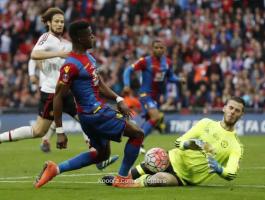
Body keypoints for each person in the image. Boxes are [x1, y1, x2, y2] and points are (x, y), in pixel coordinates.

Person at [0, 7, 118, 170]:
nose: (59, 24)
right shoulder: (46, 38)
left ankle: (98, 156)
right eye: (56, 21)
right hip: (51, 92)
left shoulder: (64, 43)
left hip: (68, 91)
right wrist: (55, 56)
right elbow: (34, 55)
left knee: (87, 120)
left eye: (62, 22)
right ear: (48, 23)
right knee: (39, 131)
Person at [34, 20, 144, 189]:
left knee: (101, 155)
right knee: (137, 134)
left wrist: (118, 99)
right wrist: (60, 131)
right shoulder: (70, 65)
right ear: (79, 38)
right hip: (95, 113)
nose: (93, 36)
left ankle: (55, 169)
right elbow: (58, 97)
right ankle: (122, 178)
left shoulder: (89, 57)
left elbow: (98, 84)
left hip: (92, 115)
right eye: (89, 34)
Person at [103, 96, 245, 187]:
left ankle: (132, 183)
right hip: (170, 159)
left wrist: (220, 170)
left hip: (183, 178)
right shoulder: (206, 123)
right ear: (224, 108)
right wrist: (188, 144)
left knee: (161, 179)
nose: (232, 112)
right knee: (155, 155)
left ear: (241, 114)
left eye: (237, 110)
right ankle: (121, 179)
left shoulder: (236, 146)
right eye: (231, 108)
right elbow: (179, 142)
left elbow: (231, 174)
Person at [123, 40, 185, 153]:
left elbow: (170, 77)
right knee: (156, 117)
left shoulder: (168, 62)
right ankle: (139, 140)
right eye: (156, 47)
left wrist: (179, 80)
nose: (159, 50)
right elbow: (128, 70)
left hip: (156, 97)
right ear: (152, 49)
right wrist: (127, 85)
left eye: (161, 48)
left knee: (150, 120)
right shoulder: (145, 61)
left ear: (164, 49)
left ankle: (136, 140)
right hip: (145, 94)